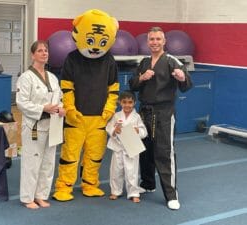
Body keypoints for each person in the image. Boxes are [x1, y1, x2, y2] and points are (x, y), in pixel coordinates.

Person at [52, 9, 119, 201]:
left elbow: (113, 87)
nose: (96, 47)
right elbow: (66, 88)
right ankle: (64, 186)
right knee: (70, 155)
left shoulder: (109, 60)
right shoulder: (72, 58)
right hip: (76, 118)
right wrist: (71, 109)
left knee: (95, 155)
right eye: (90, 41)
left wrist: (109, 109)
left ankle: (90, 183)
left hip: (98, 118)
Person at [129, 27, 192, 210]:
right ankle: (148, 184)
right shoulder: (144, 62)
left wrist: (181, 77)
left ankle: (171, 195)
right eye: (151, 39)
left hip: (164, 112)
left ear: (164, 42)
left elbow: (187, 85)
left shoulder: (172, 61)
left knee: (164, 152)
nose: (155, 42)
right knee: (144, 150)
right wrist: (142, 77)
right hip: (144, 111)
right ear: (147, 42)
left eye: (158, 39)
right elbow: (133, 85)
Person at [16, 40, 66, 209]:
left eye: (46, 51)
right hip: (34, 126)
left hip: (52, 125)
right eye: (40, 51)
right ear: (33, 55)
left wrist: (61, 109)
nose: (44, 53)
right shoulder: (26, 78)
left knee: (48, 161)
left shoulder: (52, 77)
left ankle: (41, 195)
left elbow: (59, 99)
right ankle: (27, 197)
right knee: (32, 161)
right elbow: (22, 103)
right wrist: (42, 108)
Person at [106, 90, 147, 203]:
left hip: (132, 147)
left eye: (130, 102)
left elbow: (144, 132)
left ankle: (133, 192)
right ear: (120, 102)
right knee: (115, 171)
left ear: (134, 102)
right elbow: (109, 128)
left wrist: (138, 130)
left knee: (132, 172)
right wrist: (115, 130)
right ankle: (115, 191)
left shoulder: (137, 117)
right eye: (124, 102)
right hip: (118, 147)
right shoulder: (116, 115)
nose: (127, 105)